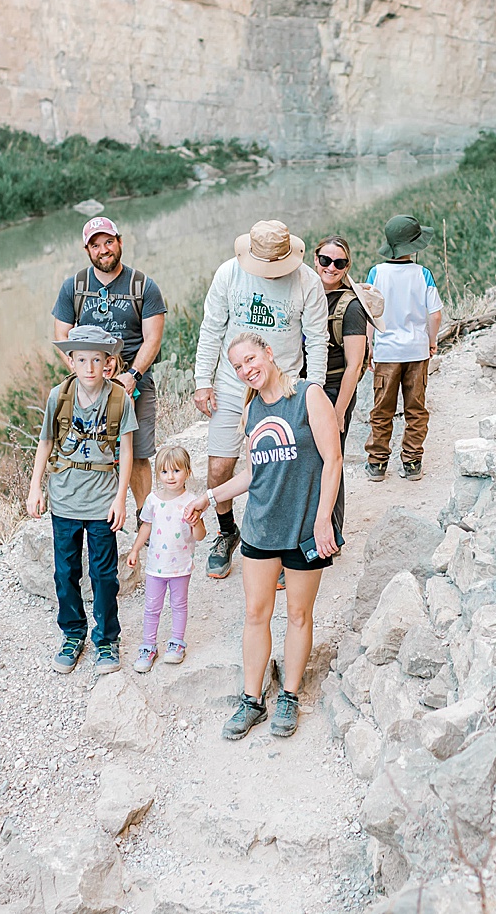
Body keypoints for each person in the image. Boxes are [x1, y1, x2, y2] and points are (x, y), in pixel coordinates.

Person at [191, 333, 342, 740]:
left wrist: (323, 520)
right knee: (256, 614)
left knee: (298, 614)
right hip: (261, 527)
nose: (246, 370)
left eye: (251, 359)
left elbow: (333, 460)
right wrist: (209, 497)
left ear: (269, 354)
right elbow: (252, 473)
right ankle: (252, 700)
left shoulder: (309, 395)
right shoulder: (251, 411)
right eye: (238, 366)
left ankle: (289, 696)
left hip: (304, 527)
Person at [193, 220, 328, 579]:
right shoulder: (229, 274)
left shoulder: (306, 281)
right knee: (219, 467)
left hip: (282, 388)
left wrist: (313, 393)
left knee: (284, 466)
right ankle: (227, 531)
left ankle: (285, 542)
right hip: (232, 384)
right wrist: (202, 381)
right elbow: (211, 328)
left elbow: (317, 340)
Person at [26, 325, 137, 674]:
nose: (90, 368)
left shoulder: (119, 400)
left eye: (97, 360)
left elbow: (127, 451)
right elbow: (46, 442)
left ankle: (106, 639)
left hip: (103, 500)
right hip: (64, 499)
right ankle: (73, 634)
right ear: (71, 361)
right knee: (65, 572)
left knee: (104, 574)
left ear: (108, 362)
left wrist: (121, 498)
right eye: (82, 360)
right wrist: (35, 487)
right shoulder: (58, 397)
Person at [52, 216, 167, 513]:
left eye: (108, 242)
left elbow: (153, 339)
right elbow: (61, 335)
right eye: (95, 245)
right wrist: (83, 372)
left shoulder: (143, 286)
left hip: (134, 382)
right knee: (93, 456)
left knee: (138, 455)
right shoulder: (74, 287)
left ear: (119, 242)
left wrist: (132, 375)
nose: (103, 249)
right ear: (87, 250)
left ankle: (144, 520)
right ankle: (97, 519)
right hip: (88, 388)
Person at [363, 214, 444, 481]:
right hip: (417, 352)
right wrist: (431, 340)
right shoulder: (423, 274)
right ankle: (412, 462)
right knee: (416, 409)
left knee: (382, 409)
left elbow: (370, 313)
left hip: (386, 353)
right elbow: (435, 315)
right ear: (414, 246)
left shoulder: (376, 272)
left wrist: (369, 345)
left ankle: (377, 463)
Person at [123, 445, 205, 673]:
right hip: (156, 567)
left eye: (176, 471)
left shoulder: (192, 502)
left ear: (188, 472)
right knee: (152, 607)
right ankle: (148, 646)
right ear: (157, 473)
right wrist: (135, 550)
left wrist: (196, 521)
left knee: (178, 605)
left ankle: (177, 642)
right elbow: (146, 527)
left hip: (181, 566)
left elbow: (200, 536)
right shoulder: (152, 500)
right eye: (165, 471)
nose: (170, 477)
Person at [309, 234, 371, 443]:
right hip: (303, 387)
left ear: (347, 266)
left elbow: (354, 365)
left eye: (339, 263)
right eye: (325, 260)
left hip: (332, 389)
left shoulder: (352, 307)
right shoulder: (305, 295)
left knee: (329, 456)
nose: (331, 268)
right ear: (316, 259)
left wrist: (339, 412)